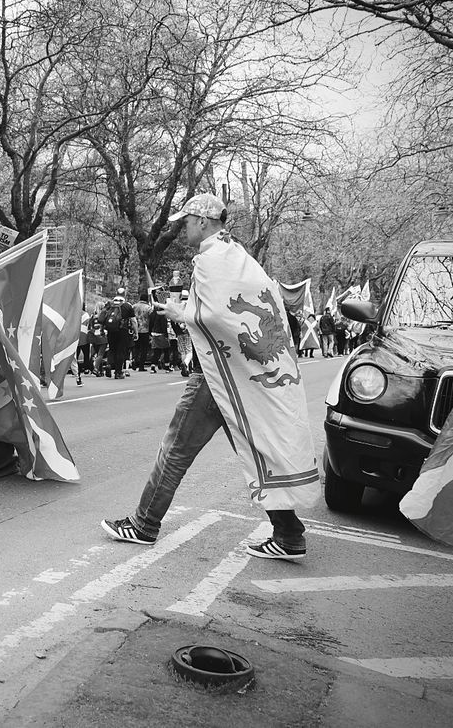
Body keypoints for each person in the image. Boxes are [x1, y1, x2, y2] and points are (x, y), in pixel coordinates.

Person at [101, 193, 320, 559]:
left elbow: (214, 317)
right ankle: (288, 533)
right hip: (240, 372)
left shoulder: (211, 258)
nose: (181, 228)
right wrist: (186, 310)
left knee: (174, 450)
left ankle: (143, 525)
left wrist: (178, 313)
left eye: (185, 221)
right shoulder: (235, 255)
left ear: (203, 221)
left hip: (217, 374)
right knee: (254, 449)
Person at [100, 290, 135, 380]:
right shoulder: (127, 306)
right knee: (120, 351)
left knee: (112, 349)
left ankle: (108, 364)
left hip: (110, 330)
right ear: (125, 295)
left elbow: (103, 318)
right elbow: (133, 321)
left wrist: (102, 330)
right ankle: (118, 372)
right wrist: (136, 332)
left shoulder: (109, 304)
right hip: (123, 331)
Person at [147, 298, 170, 372]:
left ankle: (153, 367)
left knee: (156, 351)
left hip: (154, 333)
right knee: (166, 350)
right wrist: (166, 334)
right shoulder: (162, 314)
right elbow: (163, 325)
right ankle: (167, 366)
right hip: (161, 333)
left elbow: (150, 323)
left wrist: (150, 332)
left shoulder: (153, 313)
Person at [132, 292, 152, 372]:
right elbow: (152, 318)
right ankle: (141, 366)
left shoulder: (134, 306)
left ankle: (134, 360)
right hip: (145, 330)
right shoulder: (148, 308)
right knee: (144, 349)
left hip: (135, 329)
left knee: (136, 347)